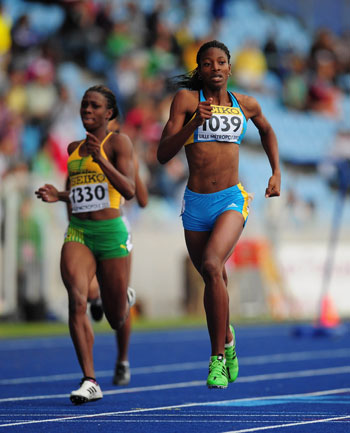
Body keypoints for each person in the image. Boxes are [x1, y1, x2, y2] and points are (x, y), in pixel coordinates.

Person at [157, 40, 281, 389]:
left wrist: (276, 173)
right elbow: (163, 154)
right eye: (208, 63)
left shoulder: (246, 104)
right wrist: (193, 123)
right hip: (196, 203)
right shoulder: (185, 101)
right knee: (214, 279)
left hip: (231, 198)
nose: (215, 68)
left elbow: (267, 130)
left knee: (213, 265)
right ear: (200, 69)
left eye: (221, 62)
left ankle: (216, 361)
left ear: (230, 68)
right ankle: (227, 338)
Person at [35, 84, 136, 404]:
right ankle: (90, 381)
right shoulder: (73, 148)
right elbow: (80, 189)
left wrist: (102, 159)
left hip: (110, 232)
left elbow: (129, 189)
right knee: (77, 300)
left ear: (109, 113)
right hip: (78, 232)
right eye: (83, 106)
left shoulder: (119, 143)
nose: (87, 111)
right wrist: (59, 195)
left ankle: (123, 299)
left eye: (94, 106)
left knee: (115, 317)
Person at [88, 117, 149, 386]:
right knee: (86, 289)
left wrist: (132, 170)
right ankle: (97, 299)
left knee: (119, 299)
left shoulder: (124, 155)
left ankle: (123, 360)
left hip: (116, 229)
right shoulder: (83, 153)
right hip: (87, 229)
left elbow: (143, 200)